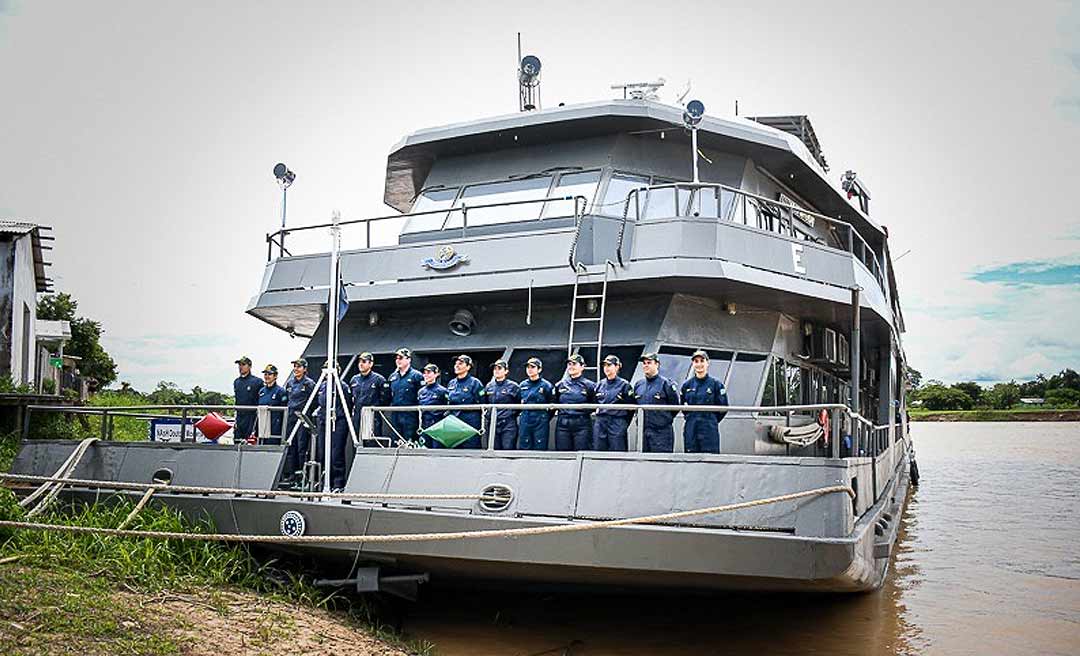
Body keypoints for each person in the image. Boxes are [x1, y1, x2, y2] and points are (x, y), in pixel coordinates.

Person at [680, 349, 728, 453]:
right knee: (690, 458)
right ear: (693, 364)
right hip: (691, 427)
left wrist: (711, 420)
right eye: (696, 361)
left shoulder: (716, 385)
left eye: (702, 361)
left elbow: (723, 408)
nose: (699, 364)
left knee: (710, 460)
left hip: (709, 428)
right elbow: (682, 405)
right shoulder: (687, 385)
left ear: (707, 363)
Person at [633, 352, 681, 452]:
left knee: (661, 465)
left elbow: (675, 407)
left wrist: (662, 420)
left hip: (661, 433)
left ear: (657, 364)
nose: (646, 365)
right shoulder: (638, 385)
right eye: (644, 363)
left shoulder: (666, 384)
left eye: (649, 363)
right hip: (643, 433)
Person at [283, 358, 317, 483]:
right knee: (291, 446)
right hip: (291, 417)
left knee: (301, 447)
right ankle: (292, 474)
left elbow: (314, 401)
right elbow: (287, 399)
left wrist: (306, 413)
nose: (296, 369)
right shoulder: (290, 383)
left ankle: (302, 476)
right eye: (295, 366)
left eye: (299, 366)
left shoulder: (309, 384)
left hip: (302, 419)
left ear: (304, 369)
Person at [554, 354, 598, 451]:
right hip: (563, 425)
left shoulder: (590, 386)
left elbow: (594, 405)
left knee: (582, 453)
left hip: (582, 424)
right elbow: (555, 402)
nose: (571, 366)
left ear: (582, 367)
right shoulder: (560, 385)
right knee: (563, 454)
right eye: (569, 364)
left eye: (574, 364)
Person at [314, 377, 351, 492]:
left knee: (336, 453)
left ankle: (338, 483)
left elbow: (348, 404)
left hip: (338, 421)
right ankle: (325, 480)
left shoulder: (342, 386)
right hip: (323, 421)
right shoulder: (322, 386)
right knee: (322, 452)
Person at [593, 354, 636, 451]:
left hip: (617, 422)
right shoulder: (600, 385)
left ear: (617, 367)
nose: (606, 368)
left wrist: (623, 423)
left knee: (617, 451)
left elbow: (631, 407)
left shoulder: (624, 385)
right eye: (605, 365)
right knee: (598, 450)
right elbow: (594, 402)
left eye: (609, 365)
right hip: (601, 422)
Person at [446, 354, 486, 449]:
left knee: (470, 449)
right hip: (454, 420)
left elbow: (482, 402)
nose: (457, 366)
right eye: (456, 363)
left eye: (460, 363)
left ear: (468, 367)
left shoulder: (475, 383)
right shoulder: (451, 383)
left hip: (470, 421)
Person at [349, 352, 390, 444]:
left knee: (371, 442)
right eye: (359, 361)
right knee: (357, 442)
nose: (361, 364)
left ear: (371, 364)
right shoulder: (354, 380)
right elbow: (350, 399)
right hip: (357, 415)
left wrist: (376, 410)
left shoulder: (379, 379)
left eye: (364, 361)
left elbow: (386, 399)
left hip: (372, 416)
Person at [388, 347, 423, 445]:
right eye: (397, 358)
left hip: (410, 415)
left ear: (408, 359)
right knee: (396, 441)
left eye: (401, 358)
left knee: (410, 442)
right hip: (396, 414)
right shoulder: (392, 377)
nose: (398, 360)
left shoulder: (416, 376)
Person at [518, 357, 555, 450]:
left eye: (533, 367)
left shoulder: (546, 385)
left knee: (540, 446)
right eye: (528, 367)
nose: (530, 370)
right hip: (525, 419)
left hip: (540, 420)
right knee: (524, 445)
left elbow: (552, 404)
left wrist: (545, 417)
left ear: (539, 369)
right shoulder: (522, 385)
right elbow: (518, 401)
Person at [485, 359, 520, 450]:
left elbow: (519, 404)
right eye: (495, 368)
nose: (496, 370)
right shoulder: (489, 386)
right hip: (492, 422)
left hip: (508, 423)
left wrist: (509, 414)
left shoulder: (513, 386)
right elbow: (485, 402)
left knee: (508, 448)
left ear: (506, 371)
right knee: (493, 449)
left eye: (499, 368)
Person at [418, 363, 449, 447]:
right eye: (424, 373)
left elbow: (448, 409)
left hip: (437, 426)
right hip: (424, 425)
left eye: (429, 372)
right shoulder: (421, 391)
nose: (426, 375)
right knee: (424, 448)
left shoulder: (443, 391)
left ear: (436, 374)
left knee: (437, 449)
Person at [256, 364, 288, 443]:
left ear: (275, 376)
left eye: (269, 374)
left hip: (275, 428)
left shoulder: (281, 391)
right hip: (262, 427)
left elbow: (284, 413)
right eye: (265, 374)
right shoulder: (261, 391)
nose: (267, 376)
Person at [232, 356, 260, 442]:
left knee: (250, 442)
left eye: (243, 364)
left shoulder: (257, 382)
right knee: (237, 441)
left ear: (250, 366)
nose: (241, 367)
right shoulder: (236, 382)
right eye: (239, 365)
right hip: (239, 417)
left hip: (251, 417)